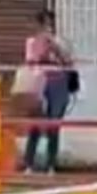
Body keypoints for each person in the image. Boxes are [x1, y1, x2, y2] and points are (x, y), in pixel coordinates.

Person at [21, 9, 77, 173]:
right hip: (39, 82)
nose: (48, 27)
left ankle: (51, 163)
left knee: (54, 124)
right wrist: (43, 48)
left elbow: (68, 61)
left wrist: (56, 47)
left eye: (50, 24)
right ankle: (29, 163)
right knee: (36, 123)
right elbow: (31, 62)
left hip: (58, 83)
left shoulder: (61, 42)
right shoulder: (32, 42)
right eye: (44, 24)